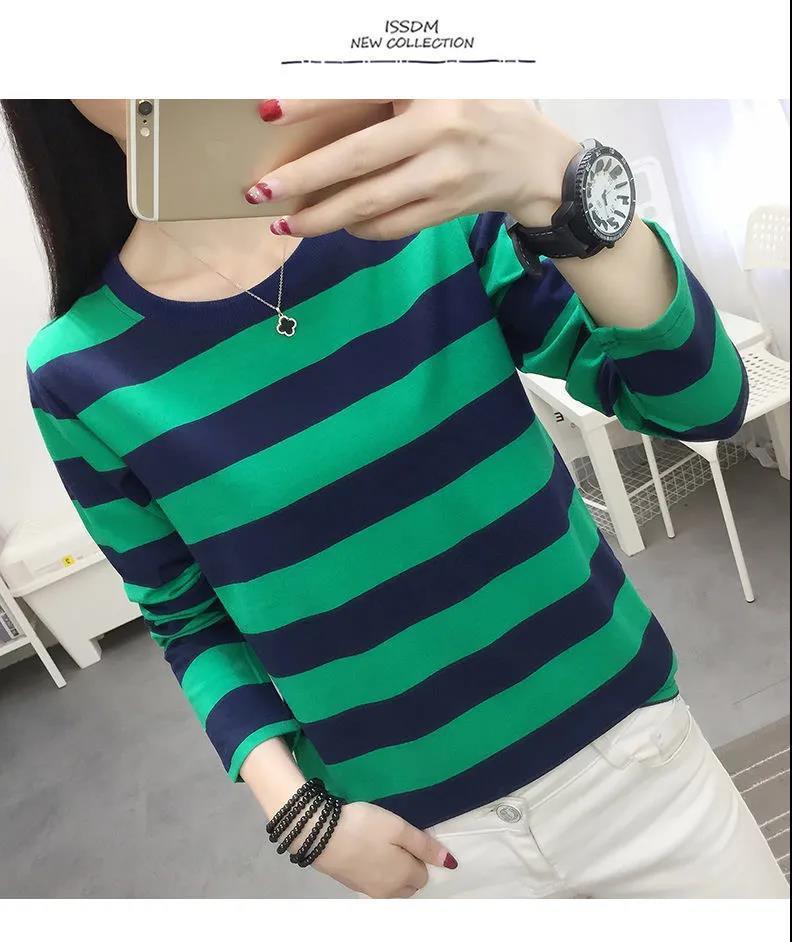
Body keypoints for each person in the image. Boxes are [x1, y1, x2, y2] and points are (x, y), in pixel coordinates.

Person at [2, 98, 788, 899]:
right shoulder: (78, 371)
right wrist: (300, 817)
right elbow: (183, 616)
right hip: (426, 848)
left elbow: (704, 402)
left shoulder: (427, 209)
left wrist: (558, 178)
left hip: (633, 759)